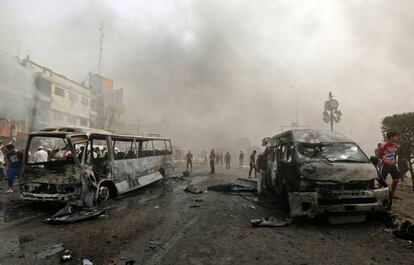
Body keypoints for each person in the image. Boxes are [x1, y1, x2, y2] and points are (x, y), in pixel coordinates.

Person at [378, 132, 400, 198]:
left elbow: (395, 154)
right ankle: (378, 194)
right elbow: (379, 155)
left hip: (393, 165)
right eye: (395, 136)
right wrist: (385, 160)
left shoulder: (395, 145)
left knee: (396, 179)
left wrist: (394, 161)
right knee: (382, 180)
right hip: (385, 165)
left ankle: (392, 194)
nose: (397, 138)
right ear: (391, 137)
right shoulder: (384, 145)